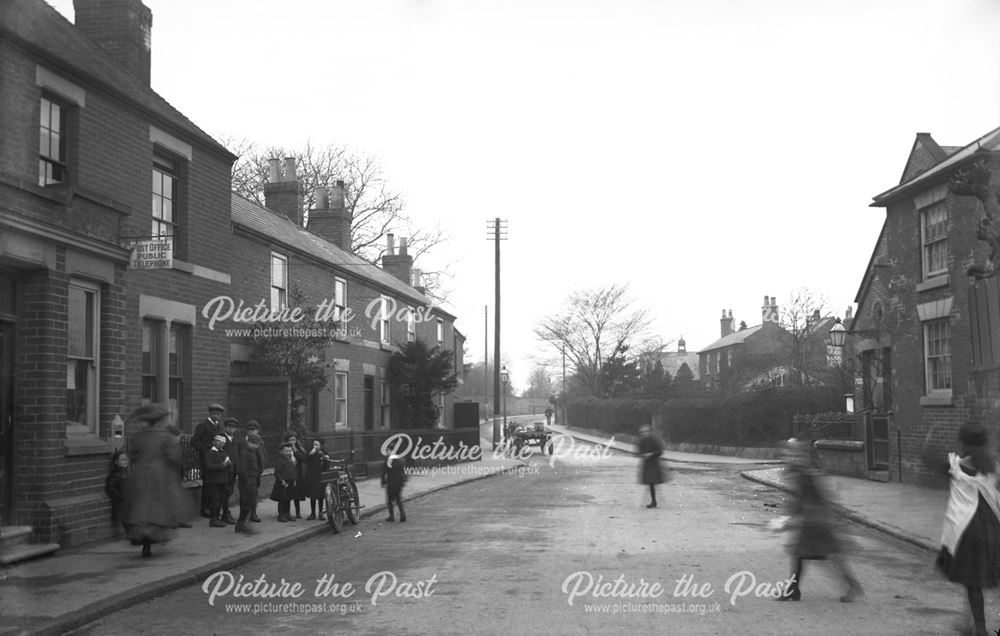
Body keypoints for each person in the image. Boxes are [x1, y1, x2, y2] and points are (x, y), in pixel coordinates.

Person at [923, 421, 1000, 636]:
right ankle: (973, 625)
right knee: (992, 577)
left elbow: (927, 459)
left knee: (973, 583)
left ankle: (980, 628)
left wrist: (930, 436)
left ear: (964, 442)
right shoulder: (993, 466)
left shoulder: (955, 466)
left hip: (966, 532)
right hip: (993, 530)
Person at [776, 438, 863, 603]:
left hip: (817, 523)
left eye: (795, 454)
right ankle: (793, 590)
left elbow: (822, 496)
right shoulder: (801, 473)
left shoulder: (810, 474)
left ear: (805, 456)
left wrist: (790, 517)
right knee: (803, 555)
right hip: (811, 522)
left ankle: (851, 585)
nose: (791, 457)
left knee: (819, 555)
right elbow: (798, 499)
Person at [119, 404, 195, 557]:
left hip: (140, 475)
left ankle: (144, 541)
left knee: (141, 504)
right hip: (160, 475)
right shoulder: (166, 437)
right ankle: (156, 535)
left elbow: (132, 456)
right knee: (160, 505)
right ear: (159, 421)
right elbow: (173, 457)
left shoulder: (138, 437)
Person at [191, 404, 226, 518]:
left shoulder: (219, 426)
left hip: (217, 459)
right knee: (207, 483)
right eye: (214, 414)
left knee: (215, 484)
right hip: (207, 459)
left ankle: (213, 508)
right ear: (210, 414)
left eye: (218, 414)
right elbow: (194, 441)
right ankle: (204, 508)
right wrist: (206, 450)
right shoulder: (203, 426)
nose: (216, 416)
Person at [235, 433, 264, 535]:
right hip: (247, 483)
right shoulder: (244, 453)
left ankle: (241, 524)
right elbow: (241, 469)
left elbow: (259, 465)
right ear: (249, 443)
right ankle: (242, 523)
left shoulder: (254, 452)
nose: (256, 446)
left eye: (257, 444)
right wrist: (247, 480)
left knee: (251, 502)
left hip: (253, 481)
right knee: (246, 503)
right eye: (254, 444)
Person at [203, 434, 232, 528]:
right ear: (214, 442)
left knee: (220, 500)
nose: (221, 444)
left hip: (223, 480)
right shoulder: (210, 453)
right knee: (215, 500)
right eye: (219, 442)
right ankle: (214, 519)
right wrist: (222, 465)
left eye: (223, 443)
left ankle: (217, 518)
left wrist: (229, 464)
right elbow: (209, 466)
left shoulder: (223, 452)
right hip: (214, 481)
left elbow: (228, 466)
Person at [637, 424, 667, 508]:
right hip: (647, 464)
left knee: (651, 483)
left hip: (653, 463)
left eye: (646, 431)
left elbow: (660, 451)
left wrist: (651, 454)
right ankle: (653, 500)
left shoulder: (654, 440)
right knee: (650, 483)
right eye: (642, 432)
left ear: (649, 432)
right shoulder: (641, 441)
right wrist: (643, 455)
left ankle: (654, 501)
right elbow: (638, 452)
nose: (644, 433)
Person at [244, 420, 267, 523]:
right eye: (249, 430)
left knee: (254, 494)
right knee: (244, 494)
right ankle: (244, 514)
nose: (251, 432)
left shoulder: (260, 442)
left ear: (257, 430)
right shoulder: (243, 441)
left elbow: (263, 457)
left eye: (253, 430)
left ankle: (253, 513)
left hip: (255, 472)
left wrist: (260, 470)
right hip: (245, 472)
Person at [104, 448, 130, 538]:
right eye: (122, 460)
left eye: (126, 459)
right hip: (121, 500)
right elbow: (110, 487)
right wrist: (119, 495)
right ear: (116, 462)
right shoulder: (114, 475)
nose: (125, 461)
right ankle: (128, 532)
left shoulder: (128, 473)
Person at [220, 417, 240, 525]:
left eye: (233, 428)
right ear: (225, 428)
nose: (231, 430)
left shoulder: (236, 440)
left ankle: (225, 513)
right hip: (225, 470)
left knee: (229, 491)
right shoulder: (221, 439)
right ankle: (225, 514)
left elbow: (238, 455)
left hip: (233, 471)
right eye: (229, 427)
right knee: (225, 492)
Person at [271, 443, 298, 522]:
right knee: (282, 499)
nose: (288, 453)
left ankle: (287, 513)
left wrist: (295, 480)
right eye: (286, 451)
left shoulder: (290, 459)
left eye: (290, 451)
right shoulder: (280, 459)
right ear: (281, 451)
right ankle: (281, 514)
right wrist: (281, 480)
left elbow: (294, 470)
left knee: (288, 498)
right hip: (283, 482)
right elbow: (277, 472)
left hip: (291, 481)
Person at [303, 439, 329, 520]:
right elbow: (306, 460)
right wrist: (311, 453)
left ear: (321, 445)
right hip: (312, 476)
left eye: (317, 444)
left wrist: (325, 458)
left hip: (320, 476)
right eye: (314, 444)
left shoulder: (323, 453)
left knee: (320, 496)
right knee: (313, 496)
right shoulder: (311, 452)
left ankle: (320, 513)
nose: (315, 446)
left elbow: (327, 465)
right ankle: (313, 513)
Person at [284, 432, 307, 519]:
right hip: (288, 473)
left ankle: (298, 512)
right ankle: (287, 512)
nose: (292, 442)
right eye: (290, 440)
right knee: (288, 494)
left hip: (297, 474)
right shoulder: (285, 449)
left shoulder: (298, 448)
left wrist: (295, 450)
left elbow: (303, 458)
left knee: (296, 494)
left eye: (293, 440)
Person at [381, 452, 407, 522]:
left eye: (388, 450)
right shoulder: (400, 460)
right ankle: (402, 515)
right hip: (399, 483)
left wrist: (383, 482)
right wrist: (404, 481)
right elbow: (403, 472)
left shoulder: (388, 461)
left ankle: (391, 516)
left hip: (391, 483)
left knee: (389, 501)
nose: (386, 452)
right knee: (398, 499)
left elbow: (384, 472)